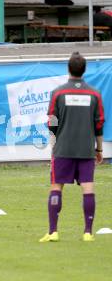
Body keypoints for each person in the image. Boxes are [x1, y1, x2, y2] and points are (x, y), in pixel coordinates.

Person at [40, 52, 105, 243]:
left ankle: (53, 232)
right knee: (88, 188)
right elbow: (99, 124)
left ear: (68, 69)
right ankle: (87, 232)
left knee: (56, 187)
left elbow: (52, 120)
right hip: (86, 149)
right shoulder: (94, 93)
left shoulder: (58, 93)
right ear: (84, 70)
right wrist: (99, 149)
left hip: (63, 149)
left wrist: (53, 144)